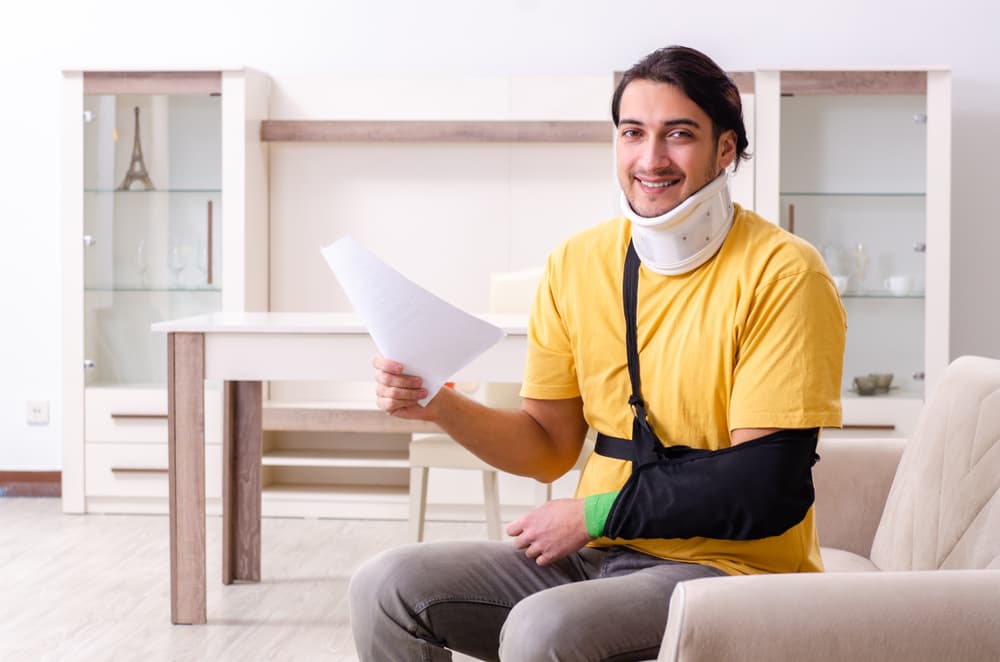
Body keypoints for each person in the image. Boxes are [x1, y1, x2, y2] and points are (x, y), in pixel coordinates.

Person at [349, 45, 846, 661]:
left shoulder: (785, 273)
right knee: (387, 586)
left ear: (725, 149)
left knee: (544, 628)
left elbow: (764, 486)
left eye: (679, 135)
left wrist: (595, 514)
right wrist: (440, 407)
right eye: (633, 133)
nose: (651, 158)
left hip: (731, 573)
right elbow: (547, 447)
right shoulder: (577, 263)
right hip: (599, 555)